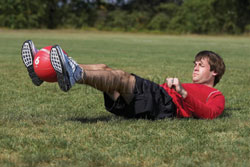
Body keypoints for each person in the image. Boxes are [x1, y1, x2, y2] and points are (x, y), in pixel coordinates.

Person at [21, 40, 226, 120]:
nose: (195, 67)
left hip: (166, 104)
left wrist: (182, 93)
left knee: (121, 77)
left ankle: (66, 69)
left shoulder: (215, 94)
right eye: (195, 63)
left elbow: (211, 114)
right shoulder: (191, 85)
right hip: (157, 100)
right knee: (104, 69)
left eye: (201, 64)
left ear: (214, 72)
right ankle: (47, 73)